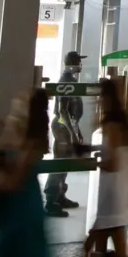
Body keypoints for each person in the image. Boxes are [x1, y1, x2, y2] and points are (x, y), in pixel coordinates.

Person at [0, 89, 58, 257]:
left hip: (22, 215)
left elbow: (13, 182)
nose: (17, 103)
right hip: (16, 212)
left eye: (23, 101)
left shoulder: (32, 144)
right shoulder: (20, 136)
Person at [75, 79, 128, 257]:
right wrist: (91, 149)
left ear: (106, 98)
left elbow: (112, 162)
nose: (97, 101)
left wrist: (91, 162)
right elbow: (115, 151)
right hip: (118, 198)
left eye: (100, 97)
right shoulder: (122, 122)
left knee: (109, 252)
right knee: (110, 251)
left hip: (112, 201)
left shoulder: (111, 124)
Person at [45, 51, 86, 217]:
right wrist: (73, 133)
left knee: (65, 163)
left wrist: (77, 130)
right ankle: (50, 201)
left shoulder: (71, 81)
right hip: (62, 127)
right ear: (73, 64)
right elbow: (63, 112)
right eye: (79, 62)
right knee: (59, 163)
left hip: (67, 126)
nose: (81, 66)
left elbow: (72, 113)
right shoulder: (66, 81)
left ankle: (60, 196)